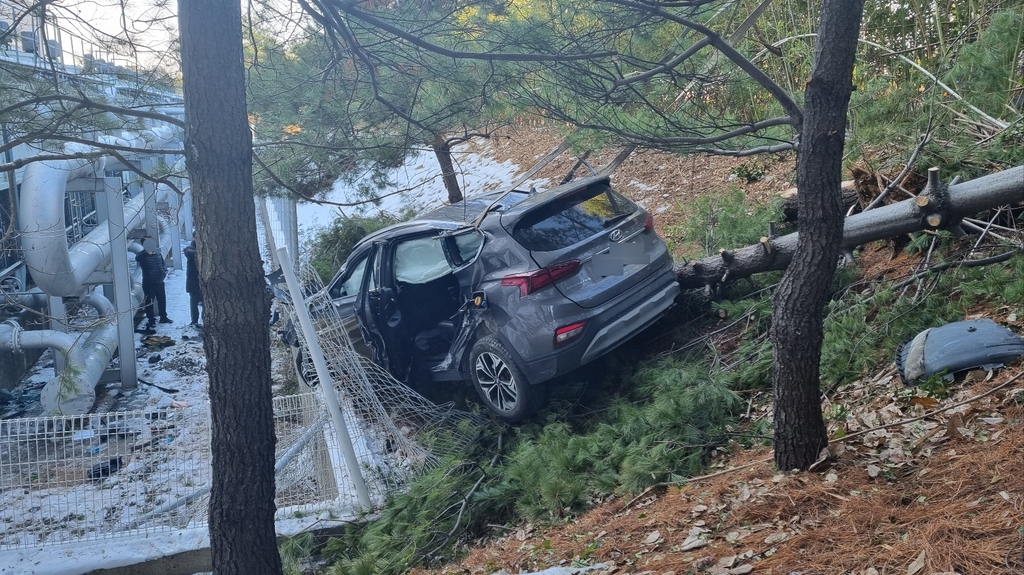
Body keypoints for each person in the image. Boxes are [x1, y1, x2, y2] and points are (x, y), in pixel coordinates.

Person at [136, 238, 171, 328]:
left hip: (160, 281)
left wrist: (164, 271)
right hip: (149, 283)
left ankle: (163, 316)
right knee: (149, 302)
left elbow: (162, 264)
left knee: (162, 300)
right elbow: (137, 258)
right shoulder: (142, 256)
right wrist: (146, 253)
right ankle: (151, 319)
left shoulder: (157, 254)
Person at [183, 231, 203, 327]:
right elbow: (189, 253)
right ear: (194, 238)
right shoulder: (189, 248)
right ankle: (194, 321)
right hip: (194, 282)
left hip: (204, 281)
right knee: (194, 302)